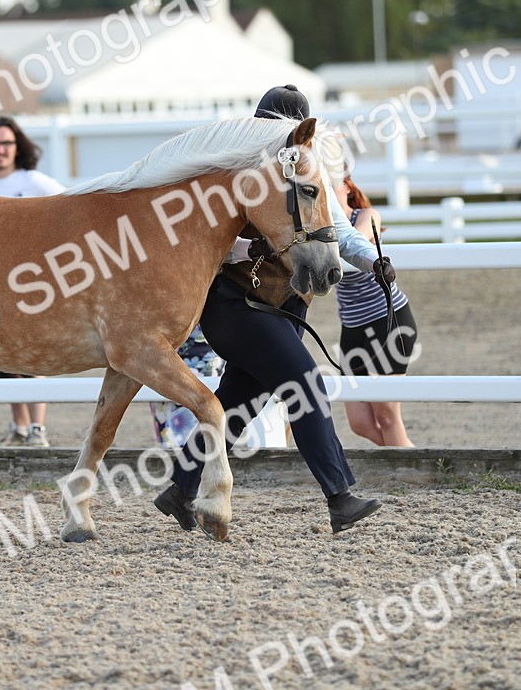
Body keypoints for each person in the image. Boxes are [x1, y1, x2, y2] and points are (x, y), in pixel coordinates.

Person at [153, 84, 392, 536]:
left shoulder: (303, 174)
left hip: (284, 307)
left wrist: (371, 261)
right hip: (237, 307)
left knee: (238, 405)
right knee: (306, 387)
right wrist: (252, 246)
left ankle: (180, 488)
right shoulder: (231, 176)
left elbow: (337, 229)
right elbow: (204, 247)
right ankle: (340, 497)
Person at [0, 116, 66, 447]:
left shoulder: (35, 181)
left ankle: (38, 428)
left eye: (6, 143)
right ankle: (19, 425)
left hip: (33, 282)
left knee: (33, 350)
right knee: (0, 353)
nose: (0, 150)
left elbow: (71, 209)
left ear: (17, 146)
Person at [335, 174, 418, 447]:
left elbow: (355, 241)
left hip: (387, 319)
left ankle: (407, 474)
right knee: (360, 423)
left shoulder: (366, 215)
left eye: (330, 183)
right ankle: (413, 460)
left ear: (347, 186)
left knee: (386, 414)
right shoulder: (318, 227)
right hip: (352, 327)